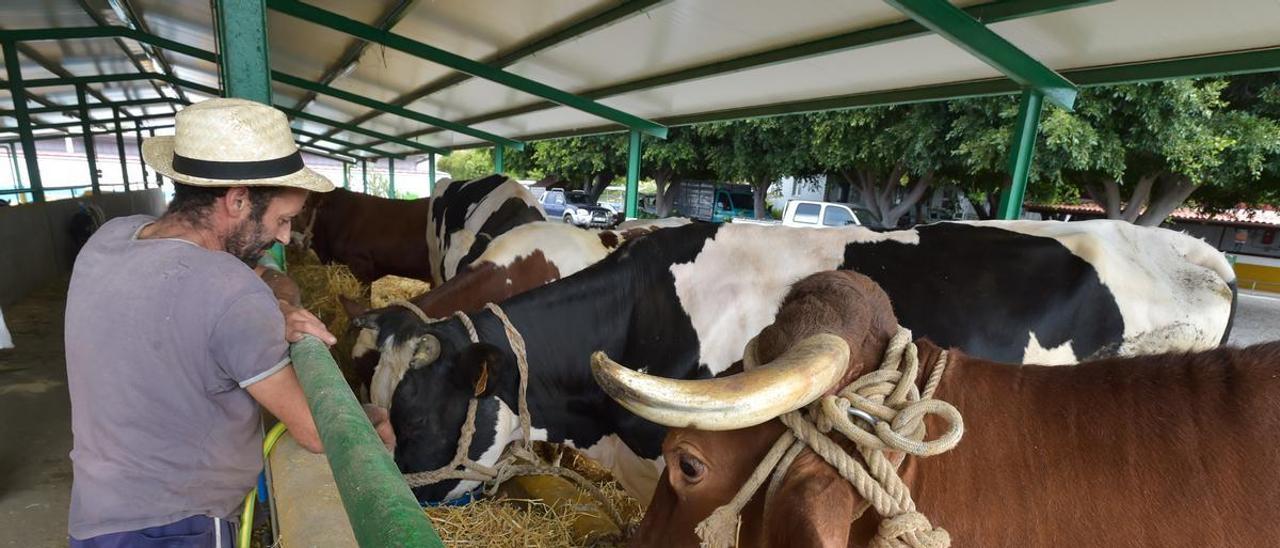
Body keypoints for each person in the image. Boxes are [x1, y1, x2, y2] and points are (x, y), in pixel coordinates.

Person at [63, 98, 394, 547]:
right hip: (179, 526)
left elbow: (244, 280)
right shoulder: (229, 292)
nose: (283, 237)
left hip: (95, 513)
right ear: (238, 200)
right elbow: (318, 433)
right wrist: (371, 417)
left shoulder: (112, 238)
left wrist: (271, 302)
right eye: (282, 220)